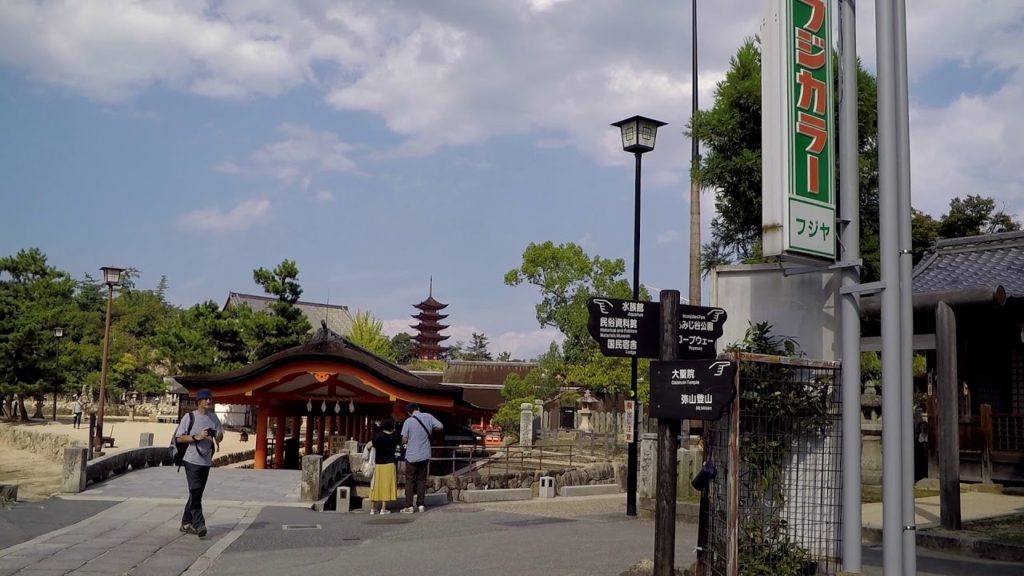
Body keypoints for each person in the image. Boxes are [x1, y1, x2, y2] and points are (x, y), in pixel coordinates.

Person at [174, 388, 224, 538]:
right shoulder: (189, 417)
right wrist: (197, 437)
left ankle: (185, 522)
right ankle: (199, 524)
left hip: (206, 460)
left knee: (196, 493)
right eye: (206, 399)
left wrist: (217, 434)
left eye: (210, 399)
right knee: (195, 490)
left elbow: (220, 437)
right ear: (199, 401)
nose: (209, 401)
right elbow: (179, 438)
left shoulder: (214, 418)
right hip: (191, 459)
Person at [399, 403, 443, 513]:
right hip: (424, 453)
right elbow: (440, 426)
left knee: (410, 480)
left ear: (409, 412)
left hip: (411, 455)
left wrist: (407, 441)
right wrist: (431, 430)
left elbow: (404, 438)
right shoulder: (428, 417)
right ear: (418, 409)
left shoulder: (408, 421)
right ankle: (421, 505)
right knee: (421, 480)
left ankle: (409, 505)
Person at [367, 417, 401, 514]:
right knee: (387, 485)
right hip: (390, 464)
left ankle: (373, 509)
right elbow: (404, 441)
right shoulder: (396, 436)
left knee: (375, 485)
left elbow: (368, 446)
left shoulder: (377, 436)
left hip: (378, 464)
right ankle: (383, 508)